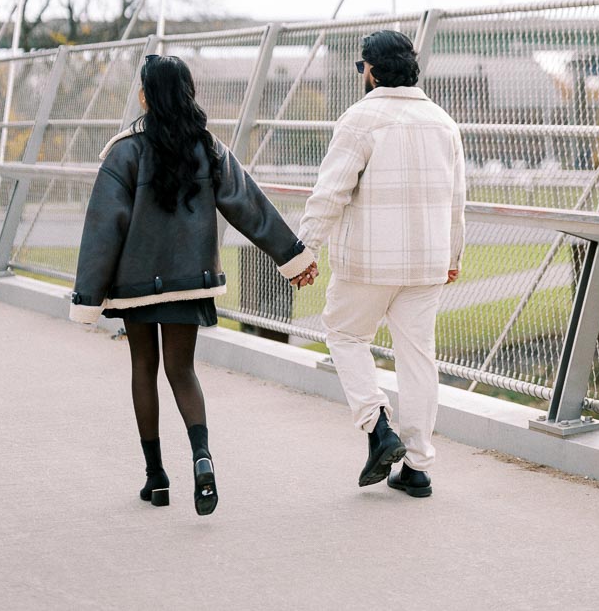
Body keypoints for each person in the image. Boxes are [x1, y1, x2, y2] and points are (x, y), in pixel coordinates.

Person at [69, 53, 317, 515]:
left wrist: (88, 296)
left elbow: (104, 228)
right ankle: (202, 459)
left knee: (143, 366)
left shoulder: (123, 153)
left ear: (145, 95)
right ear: (188, 93)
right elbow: (249, 207)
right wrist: (292, 255)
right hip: (190, 281)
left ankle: (156, 478)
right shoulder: (207, 147)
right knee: (181, 371)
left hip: (137, 286)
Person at [297, 30, 465, 499]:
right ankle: (416, 466)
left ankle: (377, 427)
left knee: (346, 335)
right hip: (427, 263)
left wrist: (303, 251)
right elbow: (457, 202)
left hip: (367, 263)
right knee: (417, 358)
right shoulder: (442, 121)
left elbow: (329, 193)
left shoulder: (360, 118)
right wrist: (451, 256)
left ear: (371, 70)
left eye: (360, 68)